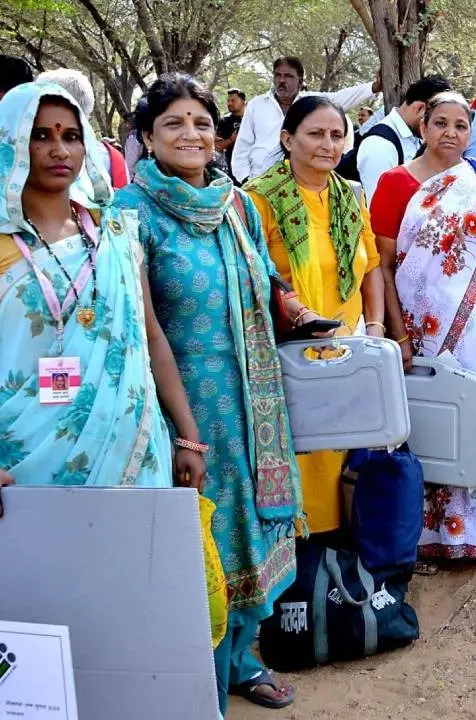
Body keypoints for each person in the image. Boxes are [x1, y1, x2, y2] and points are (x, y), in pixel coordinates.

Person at [112, 72, 319, 713]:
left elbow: (266, 276)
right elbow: (139, 329)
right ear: (146, 136)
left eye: (201, 122)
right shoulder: (129, 214)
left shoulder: (236, 206)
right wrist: (181, 429)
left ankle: (243, 659)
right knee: (197, 540)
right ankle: (194, 676)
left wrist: (292, 305)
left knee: (250, 526)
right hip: (183, 403)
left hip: (252, 398)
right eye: (173, 123)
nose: (191, 134)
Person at [0, 83, 172, 499]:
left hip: (128, 451)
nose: (60, 150)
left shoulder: (115, 231)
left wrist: (189, 436)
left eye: (71, 136)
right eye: (41, 136)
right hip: (18, 465)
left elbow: (152, 335)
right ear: (9, 142)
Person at [371, 92, 476, 567]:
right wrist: (398, 334)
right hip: (415, 326)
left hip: (473, 324)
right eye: (440, 123)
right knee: (420, 426)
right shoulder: (394, 182)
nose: (451, 133)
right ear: (423, 127)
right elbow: (384, 266)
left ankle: (472, 531)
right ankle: (420, 537)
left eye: (461, 125)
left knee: (472, 417)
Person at [245, 96, 385, 538]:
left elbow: (373, 267)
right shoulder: (257, 201)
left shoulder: (350, 198)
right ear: (287, 139)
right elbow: (254, 277)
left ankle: (340, 560)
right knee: (300, 456)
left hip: (348, 351)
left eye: (337, 135)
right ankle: (300, 557)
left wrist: (378, 328)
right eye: (316, 133)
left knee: (345, 454)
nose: (328, 144)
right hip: (289, 356)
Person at [232, 56, 380, 183]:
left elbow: (340, 98)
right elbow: (242, 147)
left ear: (300, 81)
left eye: (288, 76)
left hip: (300, 183)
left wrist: (374, 87)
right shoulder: (256, 105)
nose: (281, 81)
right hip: (259, 181)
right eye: (278, 75)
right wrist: (246, 180)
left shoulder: (311, 103)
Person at [35, 68, 128, 189]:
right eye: (41, 136)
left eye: (72, 137)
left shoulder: (114, 160)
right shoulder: (113, 158)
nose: (61, 153)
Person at [356, 81, 428, 202]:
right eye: (439, 122)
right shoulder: (379, 145)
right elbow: (378, 210)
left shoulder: (416, 138)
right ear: (420, 108)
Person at [216, 88, 247, 180]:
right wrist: (231, 140)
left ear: (243, 101)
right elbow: (217, 146)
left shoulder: (253, 118)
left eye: (233, 100)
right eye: (228, 101)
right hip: (233, 168)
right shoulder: (224, 121)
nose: (229, 103)